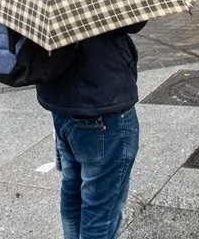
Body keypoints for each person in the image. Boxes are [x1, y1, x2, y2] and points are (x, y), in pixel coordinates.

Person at [36, 22, 145, 239]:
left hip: (59, 99)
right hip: (102, 99)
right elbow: (135, 21)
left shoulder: (43, 1)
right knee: (100, 208)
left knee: (73, 189)